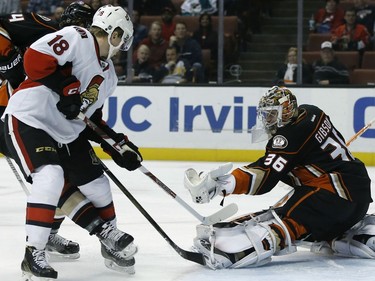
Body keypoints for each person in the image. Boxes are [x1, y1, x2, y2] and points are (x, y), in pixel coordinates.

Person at [2, 5, 143, 279]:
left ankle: (110, 242)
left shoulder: (109, 75)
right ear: (114, 33)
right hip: (31, 117)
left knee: (98, 184)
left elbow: (90, 118)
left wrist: (118, 145)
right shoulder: (78, 37)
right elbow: (34, 58)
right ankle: (34, 253)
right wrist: (65, 88)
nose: (123, 44)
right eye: (122, 37)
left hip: (64, 131)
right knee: (50, 177)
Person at [184, 85, 373, 269]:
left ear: (287, 111)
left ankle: (229, 250)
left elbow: (265, 177)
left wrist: (223, 184)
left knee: (283, 222)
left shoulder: (289, 136)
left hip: (334, 196)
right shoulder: (312, 112)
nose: (268, 120)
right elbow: (292, 159)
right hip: (357, 196)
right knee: (304, 217)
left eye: (272, 114)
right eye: (266, 115)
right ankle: (356, 234)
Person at [0, 1, 95, 259]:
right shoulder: (46, 30)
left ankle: (48, 234)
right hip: (9, 113)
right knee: (49, 175)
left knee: (58, 174)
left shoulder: (86, 60)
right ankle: (41, 242)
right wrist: (10, 62)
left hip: (38, 117)